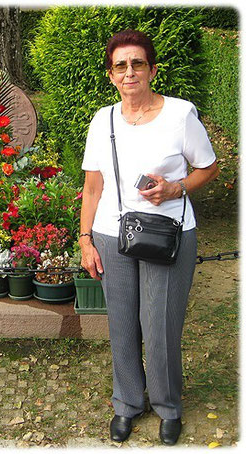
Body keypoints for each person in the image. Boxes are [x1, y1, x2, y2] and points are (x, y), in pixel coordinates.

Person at [79, 30, 219, 445]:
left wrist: (177, 188)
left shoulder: (180, 116)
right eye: (121, 65)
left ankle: (168, 406)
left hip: (167, 235)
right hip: (110, 235)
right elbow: (91, 187)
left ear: (152, 70)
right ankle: (126, 403)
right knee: (122, 325)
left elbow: (208, 167)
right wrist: (86, 239)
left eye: (138, 63)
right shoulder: (101, 120)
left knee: (159, 327)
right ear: (111, 75)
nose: (130, 72)